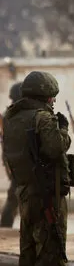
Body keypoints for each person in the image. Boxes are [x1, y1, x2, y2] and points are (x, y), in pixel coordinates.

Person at [2, 70, 73, 266]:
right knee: (51, 251)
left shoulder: (12, 118)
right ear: (47, 95)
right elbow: (55, 148)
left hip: (25, 192)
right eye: (52, 97)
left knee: (29, 250)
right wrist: (63, 130)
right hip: (47, 194)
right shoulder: (42, 117)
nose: (54, 101)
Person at [0, 82, 23, 227]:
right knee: (16, 192)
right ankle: (5, 224)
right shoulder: (11, 115)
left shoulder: (10, 114)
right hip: (15, 160)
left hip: (15, 158)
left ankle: (5, 224)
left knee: (16, 192)